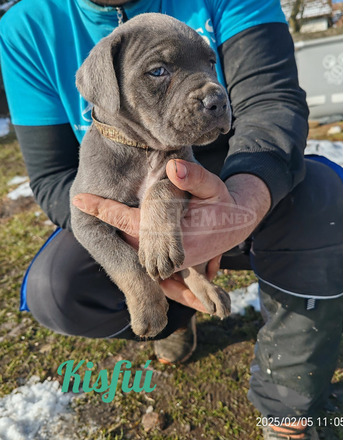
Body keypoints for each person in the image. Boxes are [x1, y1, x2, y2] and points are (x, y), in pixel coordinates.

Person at [0, 0, 342, 438]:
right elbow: (51, 177)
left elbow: (271, 100)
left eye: (208, 65)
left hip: (243, 178)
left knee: (325, 199)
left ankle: (289, 405)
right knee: (55, 287)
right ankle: (175, 313)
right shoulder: (28, 26)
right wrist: (135, 244)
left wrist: (243, 200)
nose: (211, 92)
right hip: (122, 208)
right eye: (160, 72)